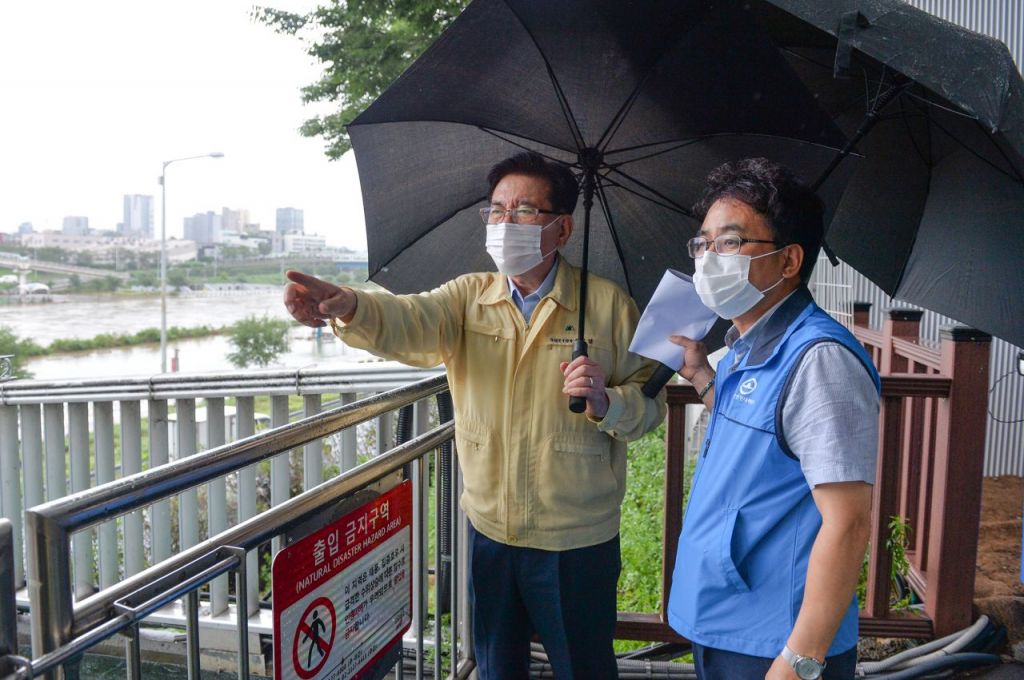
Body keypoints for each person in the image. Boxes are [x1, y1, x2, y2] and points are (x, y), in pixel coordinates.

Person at [284, 151, 666, 679]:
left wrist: (607, 401)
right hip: (489, 531)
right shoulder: (467, 298)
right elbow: (408, 318)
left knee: (584, 668)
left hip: (576, 540)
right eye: (497, 210)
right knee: (495, 667)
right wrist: (351, 304)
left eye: (524, 210)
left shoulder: (608, 306)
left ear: (563, 228)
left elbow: (650, 405)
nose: (505, 223)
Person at [666, 158, 880, 680]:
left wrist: (800, 660)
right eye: (703, 244)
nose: (709, 258)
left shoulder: (819, 359)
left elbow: (848, 522)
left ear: (789, 261)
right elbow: (767, 433)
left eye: (731, 242)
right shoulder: (746, 345)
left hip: (777, 641)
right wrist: (703, 378)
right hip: (728, 619)